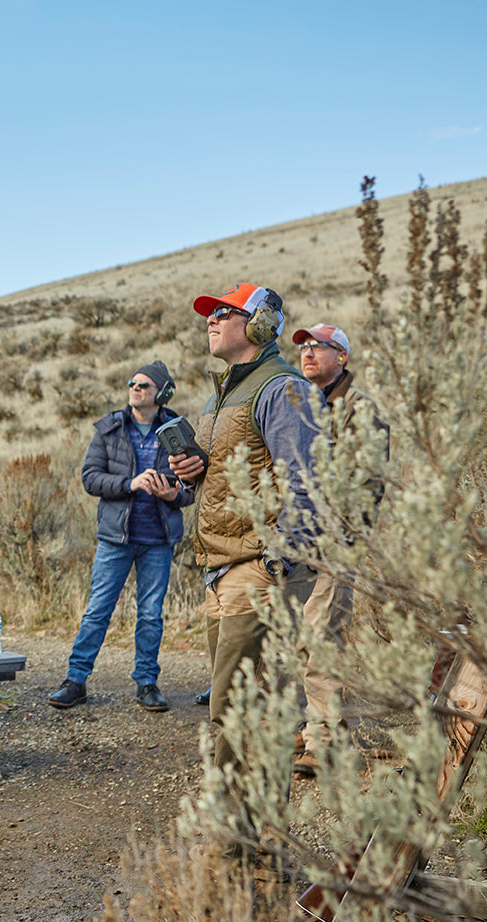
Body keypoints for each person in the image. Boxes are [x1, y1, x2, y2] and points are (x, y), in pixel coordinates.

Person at [166, 284, 319, 828]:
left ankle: (247, 847)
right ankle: (249, 841)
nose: (211, 321)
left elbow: (305, 481)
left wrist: (279, 563)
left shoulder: (282, 388)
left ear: (259, 324)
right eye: (209, 314)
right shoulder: (220, 397)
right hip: (222, 569)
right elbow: (232, 477)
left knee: (244, 711)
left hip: (258, 569)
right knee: (239, 709)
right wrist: (188, 482)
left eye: (223, 313)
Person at [49, 361, 194, 712]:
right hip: (116, 537)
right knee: (98, 610)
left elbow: (191, 487)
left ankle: (147, 684)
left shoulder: (178, 432)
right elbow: (90, 478)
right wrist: (129, 484)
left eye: (144, 385)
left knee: (150, 614)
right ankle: (75, 680)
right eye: (132, 383)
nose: (135, 388)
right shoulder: (110, 428)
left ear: (161, 392)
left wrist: (173, 495)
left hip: (157, 538)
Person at [290, 323, 388, 778]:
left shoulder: (360, 409)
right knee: (291, 637)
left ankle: (325, 742)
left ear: (342, 357)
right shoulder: (297, 406)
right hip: (294, 541)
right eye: (305, 348)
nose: (308, 354)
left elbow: (368, 481)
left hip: (335, 543)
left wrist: (342, 535)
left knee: (320, 637)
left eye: (319, 348)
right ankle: (308, 725)